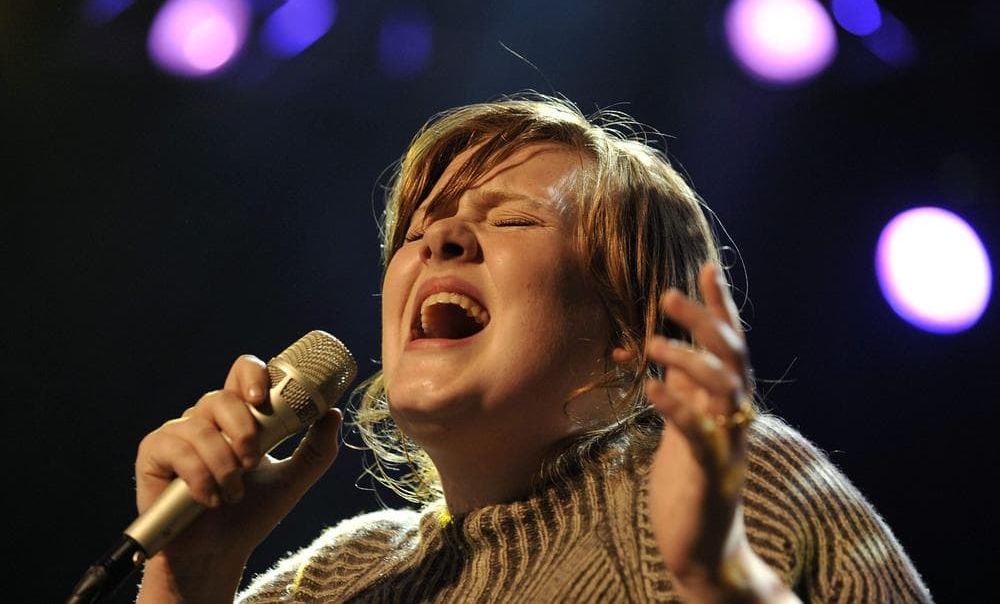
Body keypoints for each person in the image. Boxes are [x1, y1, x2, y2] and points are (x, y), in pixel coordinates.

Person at [134, 94, 931, 603]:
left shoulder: (731, 477)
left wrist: (724, 582)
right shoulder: (338, 580)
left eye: (513, 219)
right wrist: (189, 576)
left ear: (625, 336)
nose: (440, 239)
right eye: (418, 231)